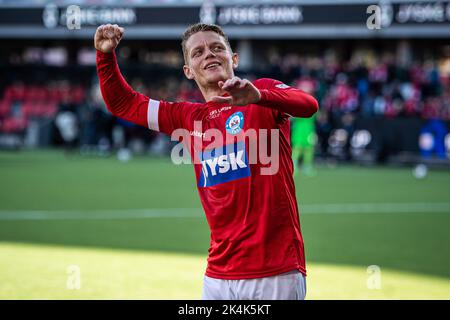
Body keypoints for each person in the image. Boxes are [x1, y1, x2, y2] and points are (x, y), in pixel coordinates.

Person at [95, 23, 318, 300]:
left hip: (274, 270)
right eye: (198, 52)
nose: (209, 55)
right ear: (188, 70)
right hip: (218, 274)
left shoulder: (262, 91)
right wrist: (105, 56)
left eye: (216, 48)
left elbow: (308, 104)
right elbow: (123, 104)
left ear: (233, 58)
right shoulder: (188, 118)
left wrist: (259, 97)